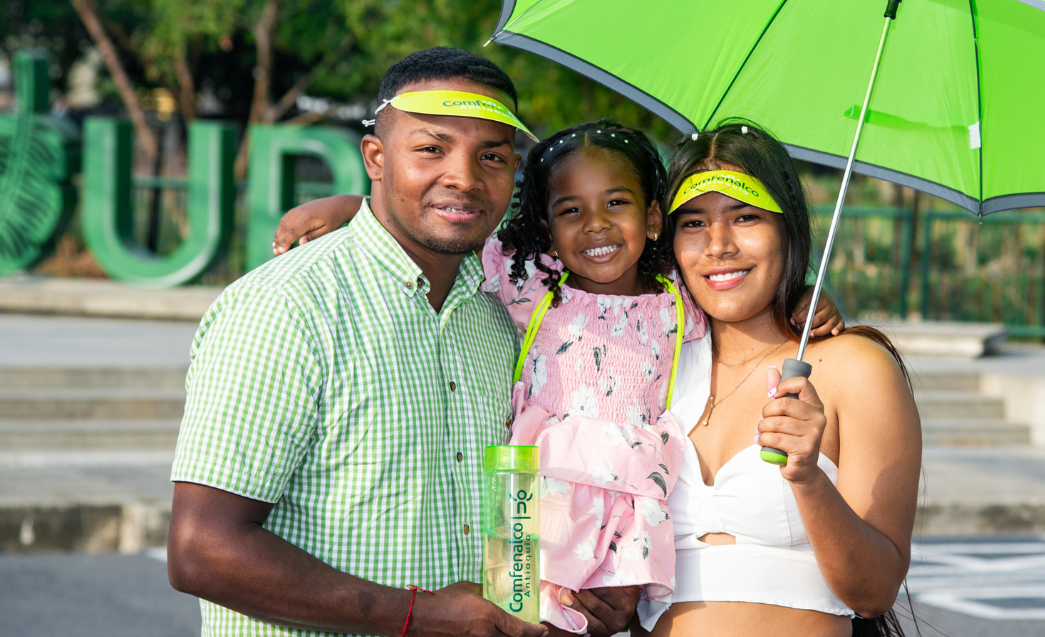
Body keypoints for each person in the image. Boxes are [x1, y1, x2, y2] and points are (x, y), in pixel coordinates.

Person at [274, 119, 844, 634]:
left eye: (616, 203)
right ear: (546, 229)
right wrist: (353, 205)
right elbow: (439, 227)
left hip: (630, 497)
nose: (596, 225)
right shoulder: (528, 280)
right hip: (532, 483)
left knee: (599, 620)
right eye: (571, 211)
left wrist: (802, 298)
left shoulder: (680, 297)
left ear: (652, 218)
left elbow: (736, 288)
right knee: (516, 617)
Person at [166, 48, 638, 637]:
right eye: (432, 149)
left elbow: (508, 506)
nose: (464, 177)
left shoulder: (502, 314)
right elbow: (201, 550)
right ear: (376, 158)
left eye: (491, 156)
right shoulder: (287, 307)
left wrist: (567, 591)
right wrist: (427, 617)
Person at [642, 121, 921, 637]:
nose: (718, 245)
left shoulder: (856, 369)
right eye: (694, 222)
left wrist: (808, 478)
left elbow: (875, 592)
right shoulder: (649, 363)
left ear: (787, 229)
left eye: (745, 217)